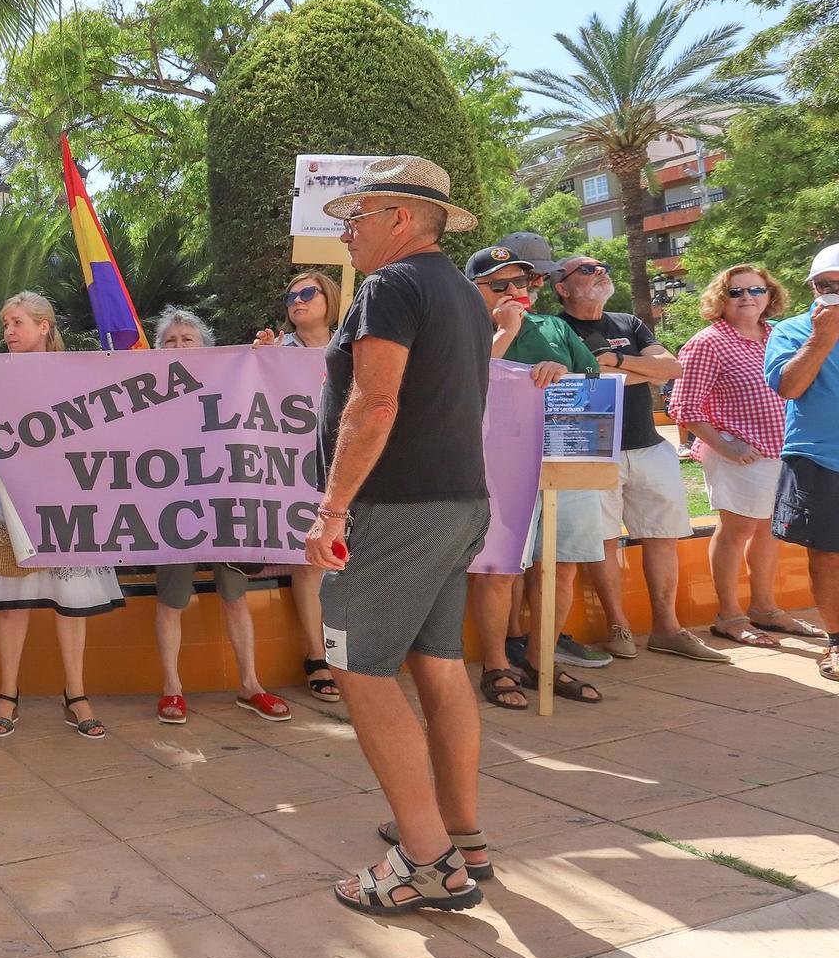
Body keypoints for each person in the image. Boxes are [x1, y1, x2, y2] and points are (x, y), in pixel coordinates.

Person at [304, 156, 491, 915]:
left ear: (403, 219)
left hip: (395, 510)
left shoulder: (389, 286)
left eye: (358, 217)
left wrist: (332, 508)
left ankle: (425, 859)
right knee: (439, 665)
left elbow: (374, 404)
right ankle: (462, 833)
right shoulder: (463, 294)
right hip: (454, 504)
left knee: (359, 669)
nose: (345, 232)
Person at [0, 292, 123, 739]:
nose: (8, 331)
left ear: (44, 327)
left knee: (73, 603)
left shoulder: (78, 374)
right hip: (9, 503)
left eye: (17, 323)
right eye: (5, 324)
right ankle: (7, 694)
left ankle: (77, 694)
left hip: (69, 500)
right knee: (13, 602)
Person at [464, 241, 605, 708]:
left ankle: (541, 660)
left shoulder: (556, 327)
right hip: (496, 469)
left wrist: (559, 369)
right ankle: (495, 664)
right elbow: (464, 386)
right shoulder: (462, 330)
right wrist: (504, 333)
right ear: (475, 291)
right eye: (498, 285)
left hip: (563, 462)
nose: (512, 291)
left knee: (560, 565)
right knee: (498, 568)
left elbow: (593, 386)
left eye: (520, 282)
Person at [552, 255, 710, 661]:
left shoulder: (628, 323)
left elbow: (672, 368)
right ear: (562, 287)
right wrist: (643, 370)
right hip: (592, 450)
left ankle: (667, 627)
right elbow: (578, 379)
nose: (599, 271)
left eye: (601, 265)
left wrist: (615, 361)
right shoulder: (555, 327)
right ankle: (618, 627)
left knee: (662, 535)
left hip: (649, 446)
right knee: (603, 539)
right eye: (586, 269)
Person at [146, 307, 291, 725]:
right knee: (171, 600)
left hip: (228, 507)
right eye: (169, 341)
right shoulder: (146, 393)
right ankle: (172, 688)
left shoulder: (232, 379)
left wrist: (269, 357)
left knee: (235, 597)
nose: (178, 347)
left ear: (205, 345)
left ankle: (250, 685)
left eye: (186, 339)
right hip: (172, 509)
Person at [670, 266, 820, 647]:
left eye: (756, 289)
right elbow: (683, 406)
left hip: (781, 452)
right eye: (736, 292)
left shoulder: (780, 335)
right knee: (736, 532)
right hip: (739, 455)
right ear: (720, 299)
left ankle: (765, 609)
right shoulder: (708, 342)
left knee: (772, 531)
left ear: (770, 295)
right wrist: (725, 446)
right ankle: (728, 616)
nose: (747, 298)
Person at [255, 270, 343, 701]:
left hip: (351, 467)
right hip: (296, 471)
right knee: (310, 564)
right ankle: (317, 657)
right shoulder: (276, 351)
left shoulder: (355, 345)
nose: (298, 300)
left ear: (330, 299)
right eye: (291, 295)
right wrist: (262, 361)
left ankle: (354, 657)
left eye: (308, 293)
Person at [764, 242, 839, 684]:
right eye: (824, 285)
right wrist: (822, 338)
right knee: (828, 553)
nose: (832, 293)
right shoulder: (791, 330)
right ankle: (836, 639)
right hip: (819, 457)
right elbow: (789, 387)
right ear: (812, 286)